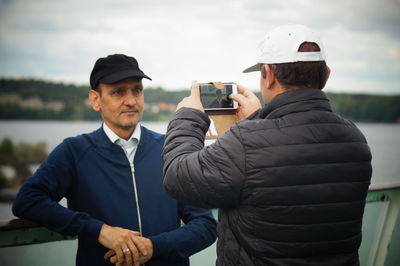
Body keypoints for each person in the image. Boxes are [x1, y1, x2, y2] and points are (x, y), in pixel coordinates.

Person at [162, 25, 372, 266]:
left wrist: (188, 116)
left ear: (269, 74)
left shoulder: (247, 141)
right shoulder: (354, 137)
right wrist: (259, 120)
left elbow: (178, 177)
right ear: (326, 75)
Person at [12, 54, 217, 266]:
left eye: (137, 90)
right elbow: (28, 200)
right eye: (118, 91)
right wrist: (99, 230)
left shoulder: (170, 149)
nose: (131, 101)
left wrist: (153, 247)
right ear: (95, 100)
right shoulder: (74, 152)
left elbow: (205, 225)